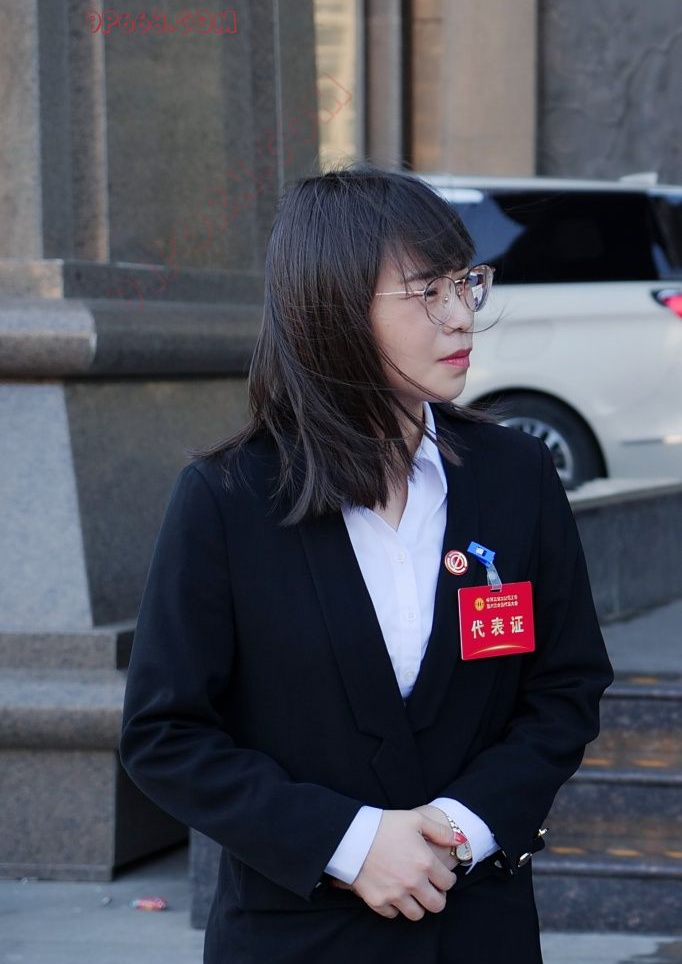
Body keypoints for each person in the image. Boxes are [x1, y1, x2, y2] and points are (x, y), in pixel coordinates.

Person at [118, 164, 615, 963]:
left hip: (478, 928)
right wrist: (348, 843)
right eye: (428, 292)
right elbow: (164, 735)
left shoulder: (515, 475)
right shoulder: (230, 498)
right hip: (296, 935)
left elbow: (565, 687)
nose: (462, 316)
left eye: (467, 283)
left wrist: (461, 827)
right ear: (334, 307)